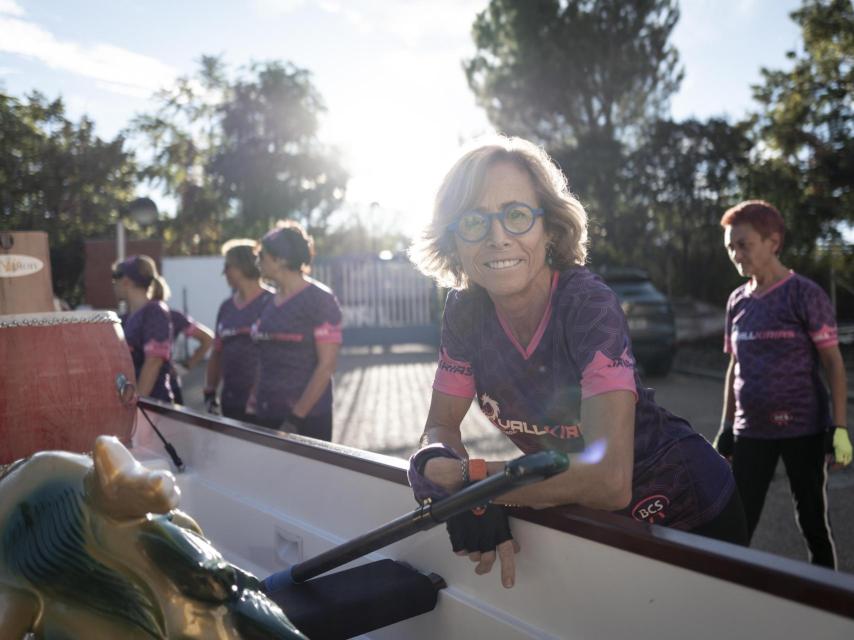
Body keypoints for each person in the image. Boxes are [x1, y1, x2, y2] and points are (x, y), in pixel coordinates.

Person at [406, 136, 746, 589]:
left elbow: (608, 481)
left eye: (517, 215)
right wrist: (437, 460)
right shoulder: (464, 311)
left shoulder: (588, 304)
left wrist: (479, 491)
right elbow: (442, 426)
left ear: (549, 229)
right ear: (453, 240)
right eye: (473, 221)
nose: (497, 236)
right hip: (596, 523)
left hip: (692, 511)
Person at [713, 200, 852, 569]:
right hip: (751, 431)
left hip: (803, 429)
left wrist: (839, 428)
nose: (736, 254)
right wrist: (726, 427)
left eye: (744, 244)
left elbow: (833, 363)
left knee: (812, 523)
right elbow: (733, 366)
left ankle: (827, 604)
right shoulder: (737, 301)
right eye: (730, 246)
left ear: (773, 242)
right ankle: (727, 596)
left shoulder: (805, 294)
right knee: (738, 522)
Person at [251, 220, 343, 441]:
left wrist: (295, 419)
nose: (257, 261)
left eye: (262, 255)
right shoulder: (267, 302)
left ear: (281, 259)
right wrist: (252, 405)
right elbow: (261, 359)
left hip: (306, 421)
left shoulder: (320, 300)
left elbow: (326, 365)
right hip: (266, 414)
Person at [204, 239, 274, 422]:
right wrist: (210, 390)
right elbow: (217, 351)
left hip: (266, 405)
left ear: (242, 265)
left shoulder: (273, 302)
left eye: (227, 266)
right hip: (231, 402)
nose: (223, 272)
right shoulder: (226, 307)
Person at [112, 255, 176, 402]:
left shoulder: (155, 311)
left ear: (126, 282)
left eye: (116, 279)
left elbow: (153, 361)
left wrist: (137, 405)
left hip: (153, 409)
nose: (113, 285)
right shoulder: (125, 318)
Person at [147, 279, 214, 406]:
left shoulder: (172, 316)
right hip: (164, 385)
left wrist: (186, 366)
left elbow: (208, 339)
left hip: (164, 386)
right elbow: (208, 339)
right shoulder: (172, 315)